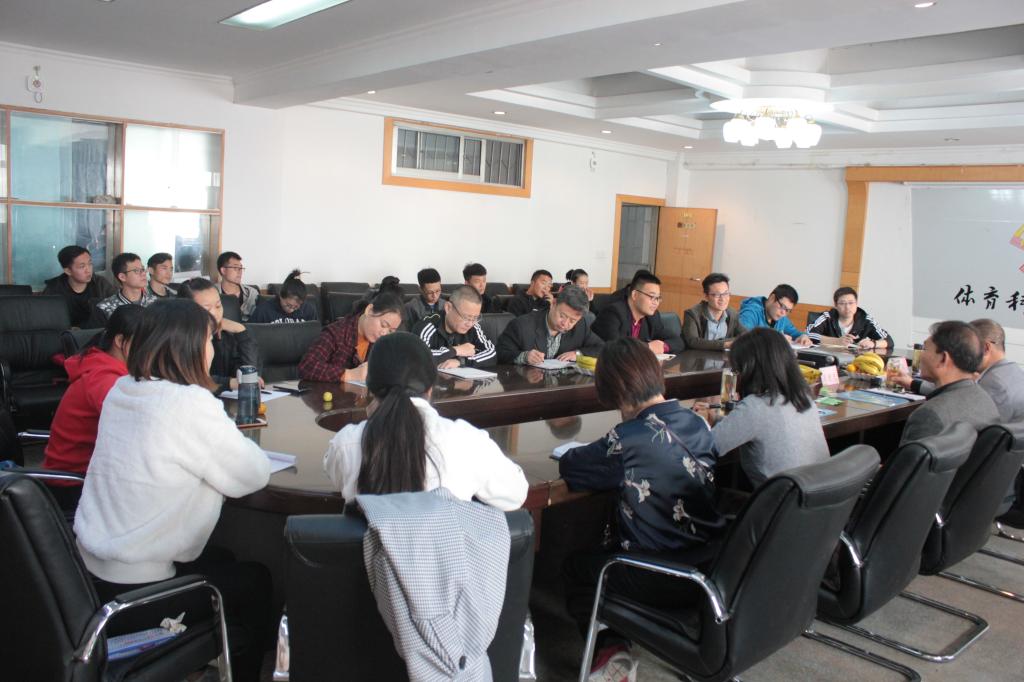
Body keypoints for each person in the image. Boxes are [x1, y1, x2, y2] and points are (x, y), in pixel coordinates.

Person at [73, 299, 273, 680]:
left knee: (224, 559)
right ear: (191, 347)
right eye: (209, 340)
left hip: (87, 578)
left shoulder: (122, 389)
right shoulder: (188, 403)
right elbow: (254, 474)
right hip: (139, 594)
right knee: (257, 579)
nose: (213, 349)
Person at [560, 338, 725, 681]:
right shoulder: (697, 422)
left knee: (576, 568)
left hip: (657, 573)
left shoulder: (629, 437)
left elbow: (573, 466)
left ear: (612, 390)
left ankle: (611, 649)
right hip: (711, 565)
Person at [322, 332, 527, 509]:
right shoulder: (467, 441)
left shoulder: (345, 443)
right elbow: (515, 495)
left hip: (369, 545)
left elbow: (339, 478)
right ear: (430, 387)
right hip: (445, 545)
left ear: (370, 387)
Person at [694, 327, 829, 487]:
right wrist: (717, 417)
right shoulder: (804, 398)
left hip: (780, 501)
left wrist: (700, 421)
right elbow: (761, 423)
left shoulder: (755, 406)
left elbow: (706, 447)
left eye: (736, 369)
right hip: (818, 496)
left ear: (750, 369)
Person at [43, 306, 144, 482]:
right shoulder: (104, 380)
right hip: (73, 481)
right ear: (120, 341)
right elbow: (139, 430)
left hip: (97, 471)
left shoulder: (110, 368)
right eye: (145, 342)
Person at [899, 321, 999, 445]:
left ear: (943, 359)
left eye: (925, 349)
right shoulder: (985, 400)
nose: (920, 356)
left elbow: (910, 458)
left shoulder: (929, 415)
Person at [299, 289, 404, 383]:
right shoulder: (335, 333)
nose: (384, 333)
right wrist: (350, 375)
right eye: (383, 325)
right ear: (369, 310)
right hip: (332, 397)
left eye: (391, 331)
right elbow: (307, 366)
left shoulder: (383, 342)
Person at [178, 278, 260, 394]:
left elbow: (249, 374)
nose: (215, 314)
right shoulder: (177, 339)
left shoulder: (225, 335)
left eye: (218, 306)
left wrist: (241, 331)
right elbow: (188, 380)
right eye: (206, 309)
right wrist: (229, 383)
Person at [497, 285, 604, 364]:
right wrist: (524, 357)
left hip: (564, 384)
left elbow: (602, 348)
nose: (565, 323)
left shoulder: (582, 326)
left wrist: (577, 354)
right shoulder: (521, 325)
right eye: (562, 316)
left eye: (572, 321)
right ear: (553, 303)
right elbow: (500, 353)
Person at [593, 271, 684, 354]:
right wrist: (647, 347)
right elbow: (616, 348)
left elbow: (678, 341)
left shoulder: (652, 317)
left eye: (658, 298)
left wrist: (663, 347)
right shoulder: (613, 313)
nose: (656, 302)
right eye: (651, 296)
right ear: (635, 295)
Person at [413, 285, 496, 368]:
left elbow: (492, 353)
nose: (470, 324)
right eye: (466, 317)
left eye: (475, 318)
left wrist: (462, 361)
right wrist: (456, 350)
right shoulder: (426, 326)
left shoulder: (473, 326)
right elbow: (419, 356)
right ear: (448, 308)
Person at [43, 245, 116, 327]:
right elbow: (47, 320)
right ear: (68, 271)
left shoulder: (100, 284)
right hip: (64, 333)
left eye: (90, 264)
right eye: (82, 266)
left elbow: (116, 310)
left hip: (96, 332)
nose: (88, 270)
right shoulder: (53, 289)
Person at [971, 319, 1024, 422]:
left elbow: (982, 428)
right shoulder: (1015, 371)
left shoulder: (993, 384)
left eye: (967, 347)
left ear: (986, 348)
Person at [806, 287, 893, 349]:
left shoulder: (865, 319)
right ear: (835, 305)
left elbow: (888, 340)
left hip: (855, 361)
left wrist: (873, 343)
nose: (847, 307)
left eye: (851, 303)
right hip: (828, 359)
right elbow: (808, 334)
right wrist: (837, 341)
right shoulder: (827, 317)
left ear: (856, 303)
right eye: (842, 303)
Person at [682, 272, 746, 350]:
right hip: (698, 356)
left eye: (726, 293)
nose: (722, 299)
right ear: (706, 296)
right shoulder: (693, 314)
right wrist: (725, 344)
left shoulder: (732, 314)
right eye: (717, 295)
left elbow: (745, 336)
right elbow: (693, 341)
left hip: (722, 357)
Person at [737, 283, 812, 346]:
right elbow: (743, 338)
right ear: (772, 298)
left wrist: (803, 336)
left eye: (787, 310)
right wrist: (776, 339)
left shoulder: (781, 317)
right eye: (782, 306)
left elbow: (796, 333)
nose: (783, 313)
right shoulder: (751, 312)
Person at [92, 252, 157, 324]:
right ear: (122, 277)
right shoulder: (105, 308)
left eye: (143, 269)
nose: (144, 273)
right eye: (137, 271)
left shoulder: (155, 303)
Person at [249, 269, 318, 323]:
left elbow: (315, 332)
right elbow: (251, 332)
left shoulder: (309, 310)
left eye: (296, 307)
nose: (291, 310)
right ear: (280, 296)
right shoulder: (264, 310)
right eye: (288, 305)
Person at [216, 250, 260, 321]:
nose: (240, 271)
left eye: (241, 268)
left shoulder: (252, 293)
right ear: (223, 270)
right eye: (235, 268)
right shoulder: (212, 293)